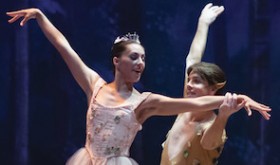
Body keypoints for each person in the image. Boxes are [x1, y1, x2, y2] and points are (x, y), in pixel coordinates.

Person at [6, 7, 270, 165]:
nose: (140, 62)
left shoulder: (144, 102)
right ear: (116, 61)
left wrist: (237, 99)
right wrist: (40, 17)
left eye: (143, 58)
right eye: (134, 57)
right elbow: (65, 48)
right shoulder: (94, 85)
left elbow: (193, 103)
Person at [160, 3, 269, 165]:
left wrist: (223, 115)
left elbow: (208, 143)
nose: (189, 85)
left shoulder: (211, 125)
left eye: (196, 81)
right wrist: (203, 24)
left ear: (212, 89)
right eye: (189, 80)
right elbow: (192, 59)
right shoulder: (185, 107)